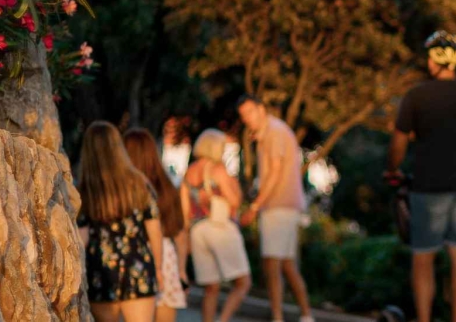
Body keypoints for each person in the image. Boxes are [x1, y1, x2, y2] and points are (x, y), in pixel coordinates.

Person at [385, 31, 456, 322]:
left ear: (434, 60)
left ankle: (424, 319)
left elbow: (398, 142)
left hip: (428, 184)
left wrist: (392, 169)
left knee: (423, 256)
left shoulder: (417, 96)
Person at [236, 95, 315, 322]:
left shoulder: (274, 132)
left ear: (261, 109)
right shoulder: (270, 132)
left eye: (249, 112)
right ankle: (306, 315)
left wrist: (255, 206)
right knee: (287, 265)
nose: (247, 119)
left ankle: (278, 317)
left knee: (271, 264)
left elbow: (274, 172)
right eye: (243, 115)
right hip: (286, 205)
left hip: (279, 206)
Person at [76, 121, 164, 322]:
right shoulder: (139, 183)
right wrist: (159, 268)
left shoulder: (86, 190)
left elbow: (82, 238)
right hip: (138, 266)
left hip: (100, 271)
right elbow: (154, 230)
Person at [183, 128, 252, 322]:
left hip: (198, 231)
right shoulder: (217, 169)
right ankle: (223, 319)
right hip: (220, 227)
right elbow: (234, 201)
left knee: (211, 288)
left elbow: (185, 211)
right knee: (243, 283)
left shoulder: (189, 172)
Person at [123, 128, 191, 322]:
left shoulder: (124, 189)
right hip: (167, 257)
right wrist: (182, 271)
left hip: (134, 256)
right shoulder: (167, 186)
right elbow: (180, 233)